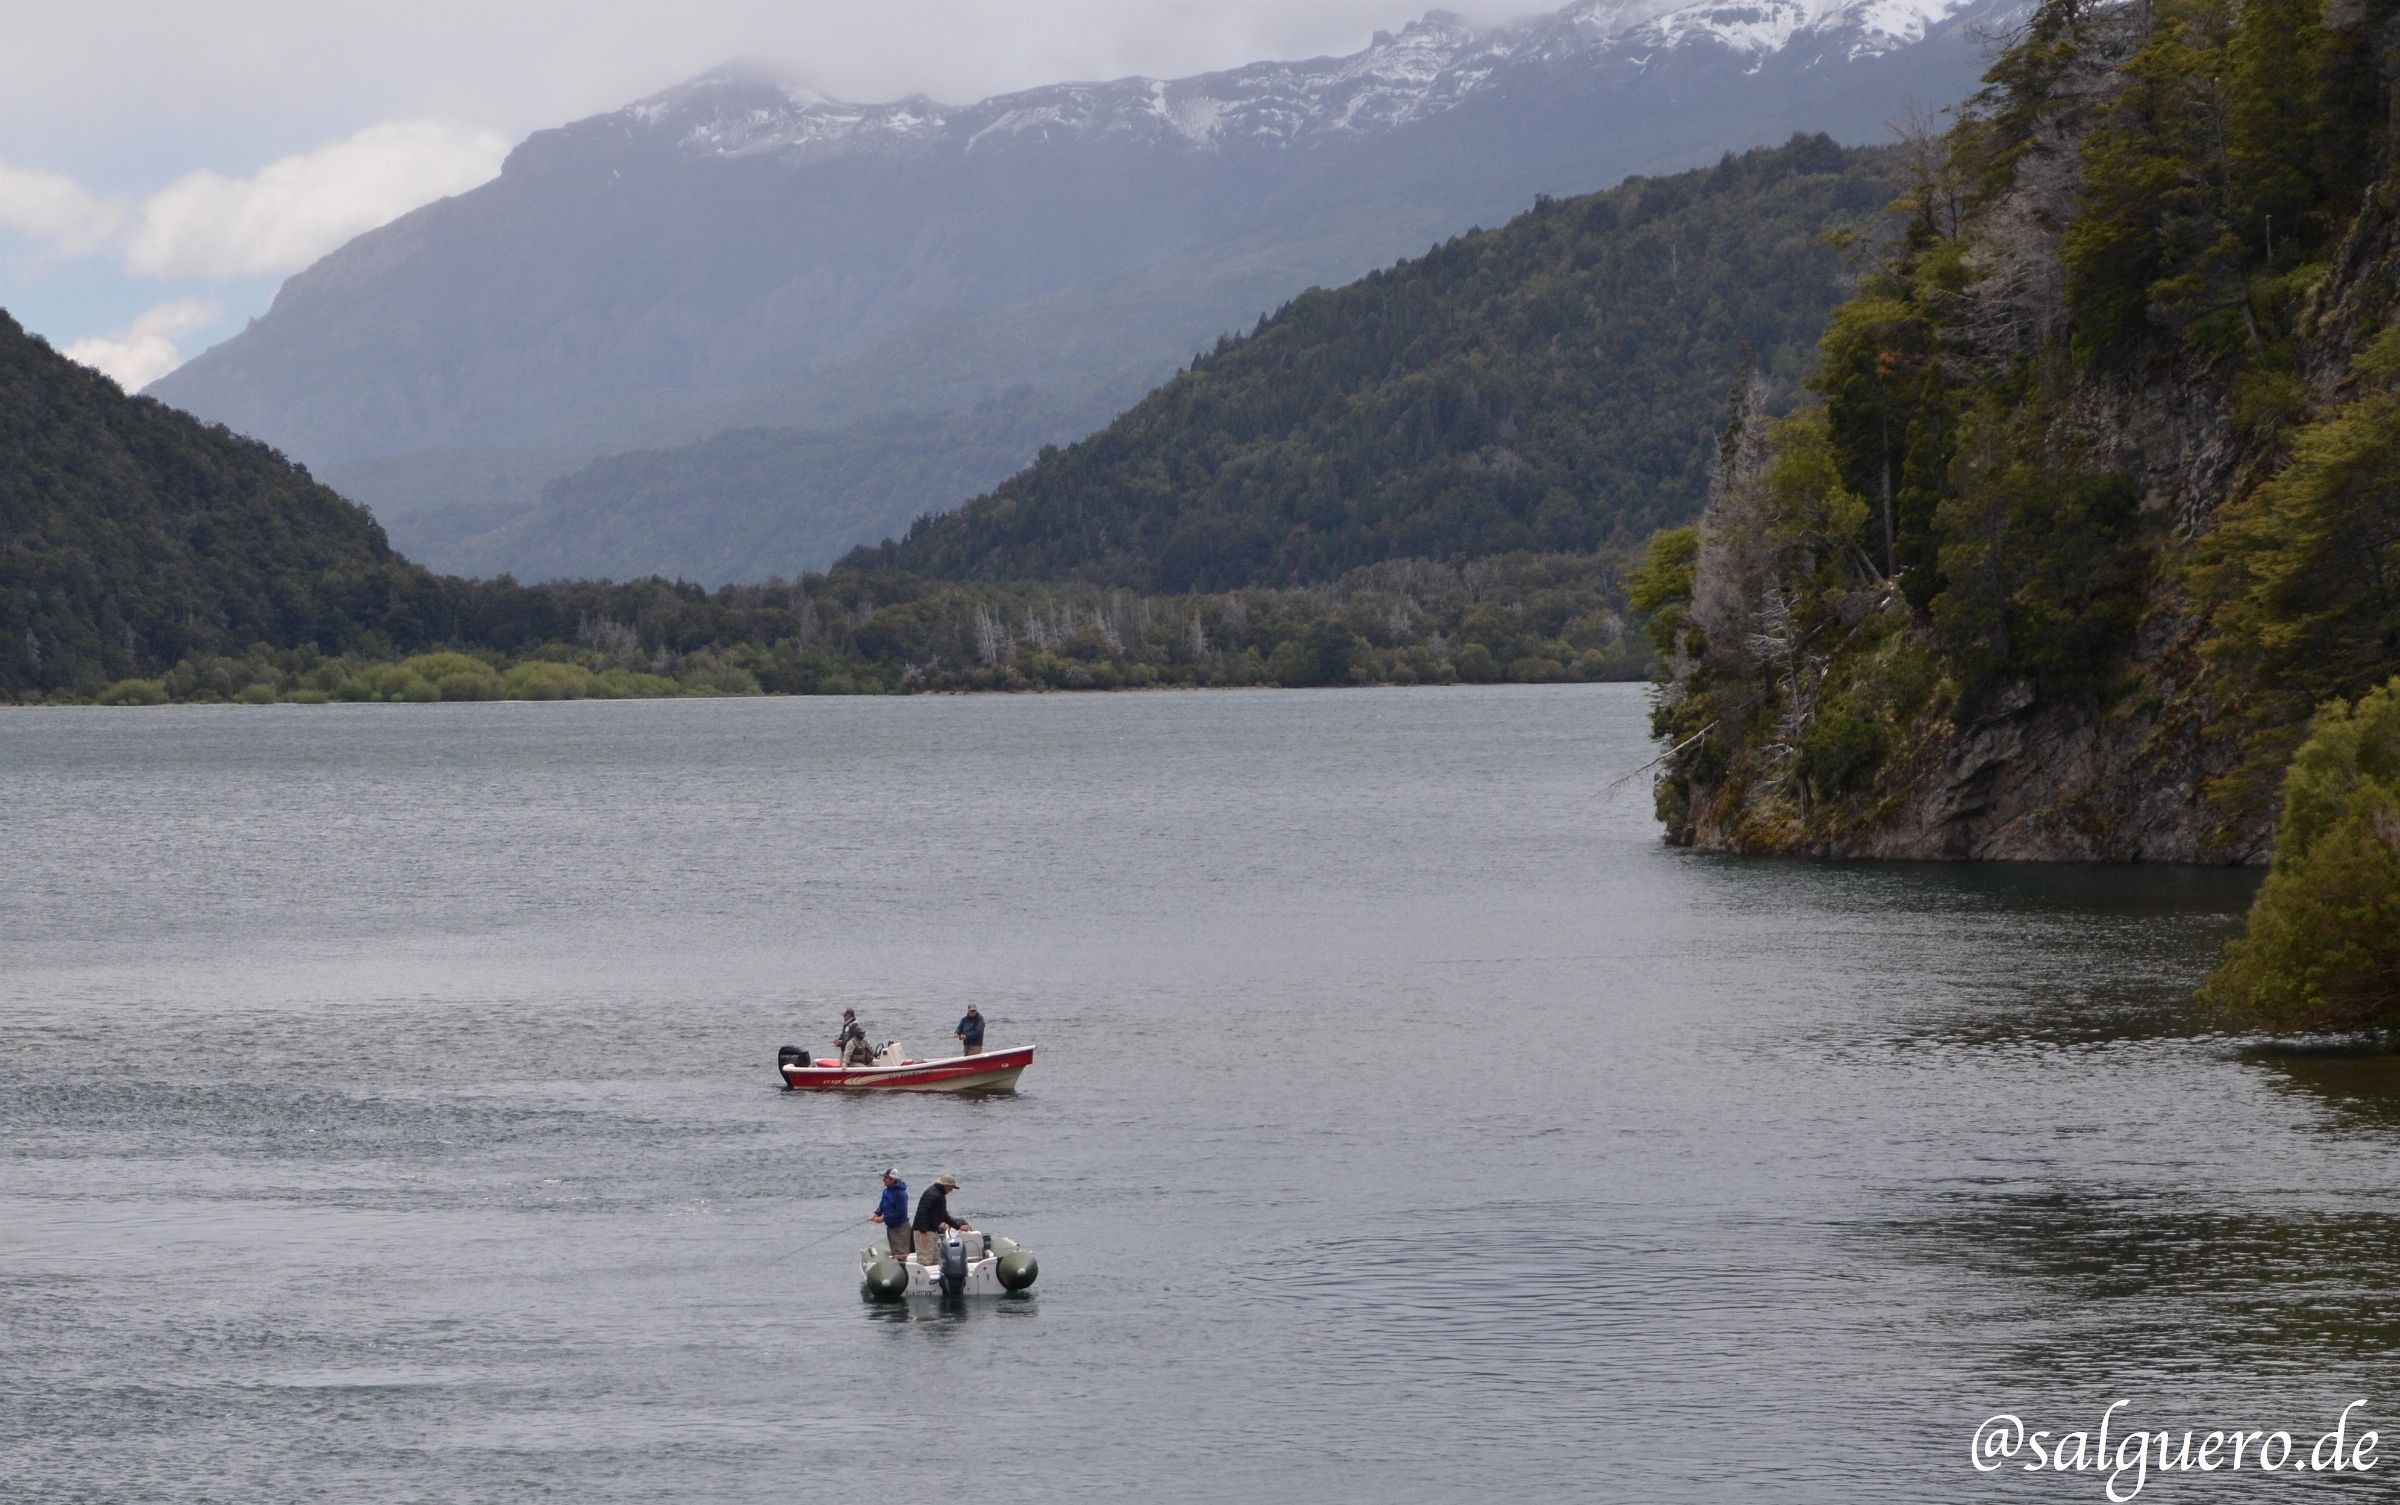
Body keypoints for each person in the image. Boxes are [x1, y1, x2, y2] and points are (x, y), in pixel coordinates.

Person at [912, 1174, 971, 1262]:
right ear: (946, 1186)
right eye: (951, 1188)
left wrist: (958, 1227)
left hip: (931, 1230)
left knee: (935, 1259)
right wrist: (923, 1233)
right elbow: (922, 1212)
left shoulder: (936, 1193)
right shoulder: (935, 1195)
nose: (951, 1191)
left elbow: (943, 1215)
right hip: (924, 1231)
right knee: (926, 1259)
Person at [867, 1168, 910, 1259]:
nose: (883, 1180)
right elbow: (883, 1205)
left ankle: (905, 1270)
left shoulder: (901, 1194)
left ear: (892, 1179)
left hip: (900, 1228)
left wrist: (883, 1218)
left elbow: (901, 1213)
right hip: (890, 1227)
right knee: (894, 1252)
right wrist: (877, 1213)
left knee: (901, 1254)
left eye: (885, 1178)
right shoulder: (886, 1191)